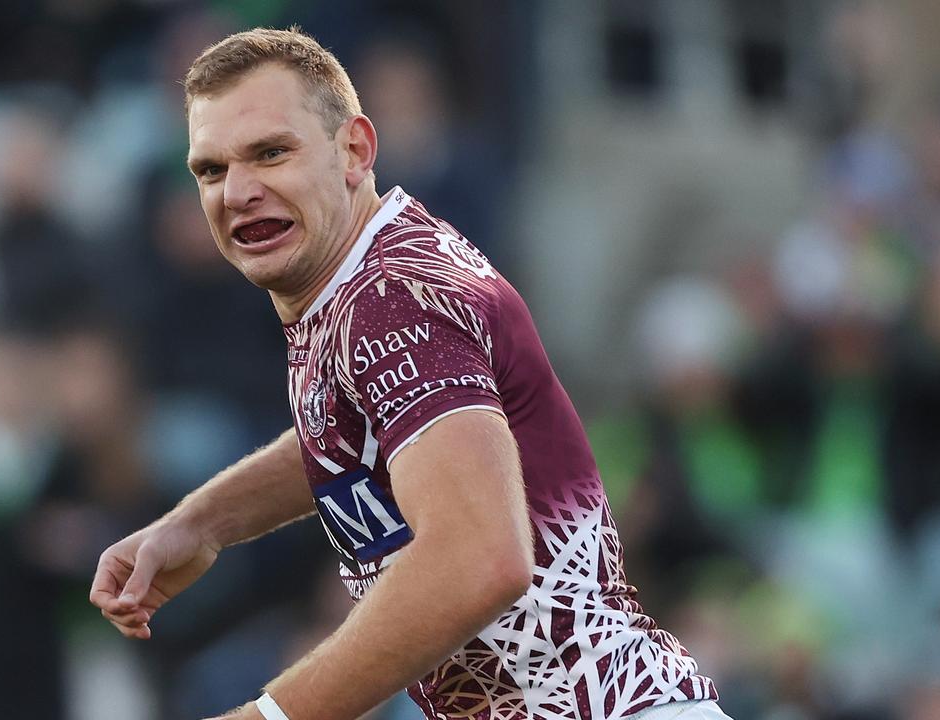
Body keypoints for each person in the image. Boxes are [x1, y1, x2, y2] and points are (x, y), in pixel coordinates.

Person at [90, 27, 729, 720]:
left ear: (355, 151)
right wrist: (203, 523)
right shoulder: (369, 269)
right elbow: (369, 429)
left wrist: (271, 716)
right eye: (210, 170)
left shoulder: (390, 302)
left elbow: (480, 557)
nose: (237, 191)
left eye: (270, 153)